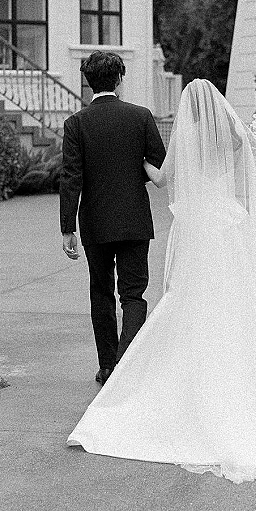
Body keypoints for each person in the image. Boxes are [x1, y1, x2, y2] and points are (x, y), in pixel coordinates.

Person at [67, 78, 256, 483]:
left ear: (189, 114)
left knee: (189, 302)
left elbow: (160, 179)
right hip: (228, 223)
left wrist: (137, 162)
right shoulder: (237, 142)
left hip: (195, 228)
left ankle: (143, 372)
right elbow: (245, 187)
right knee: (237, 303)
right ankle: (252, 387)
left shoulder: (181, 145)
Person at [59, 51, 166, 386]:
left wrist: (67, 228)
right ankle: (126, 365)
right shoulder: (141, 116)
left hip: (95, 223)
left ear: (88, 81)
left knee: (101, 292)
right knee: (133, 295)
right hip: (135, 219)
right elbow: (161, 166)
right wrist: (134, 171)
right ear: (119, 78)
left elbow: (71, 177)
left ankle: (108, 368)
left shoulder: (76, 123)